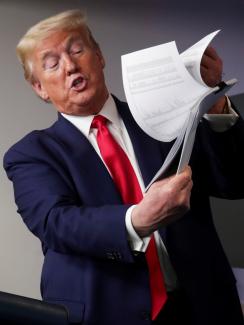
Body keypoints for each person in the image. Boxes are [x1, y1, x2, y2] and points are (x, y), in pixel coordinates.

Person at [3, 9, 244, 325]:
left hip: (203, 307)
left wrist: (216, 106)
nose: (71, 65)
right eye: (52, 63)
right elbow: (55, 222)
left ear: (99, 56)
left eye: (77, 50)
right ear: (40, 88)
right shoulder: (31, 154)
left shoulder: (167, 116)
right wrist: (137, 220)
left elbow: (234, 182)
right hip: (107, 314)